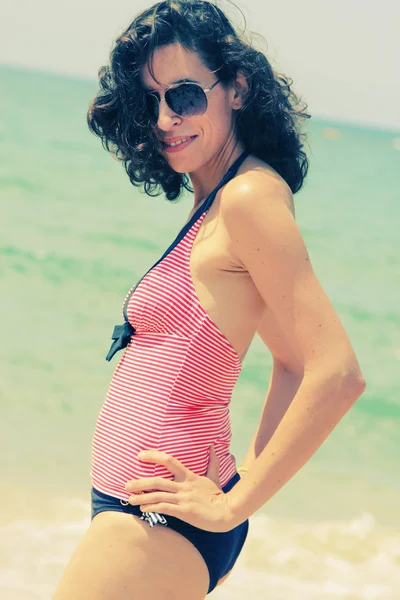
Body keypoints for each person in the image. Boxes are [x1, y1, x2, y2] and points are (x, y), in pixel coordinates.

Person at [53, 1, 366, 598]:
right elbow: (292, 362)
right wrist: (233, 486)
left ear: (238, 89)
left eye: (185, 95)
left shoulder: (249, 198)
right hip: (155, 514)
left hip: (157, 518)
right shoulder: (222, 201)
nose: (166, 118)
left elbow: (336, 371)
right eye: (151, 102)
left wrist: (235, 502)